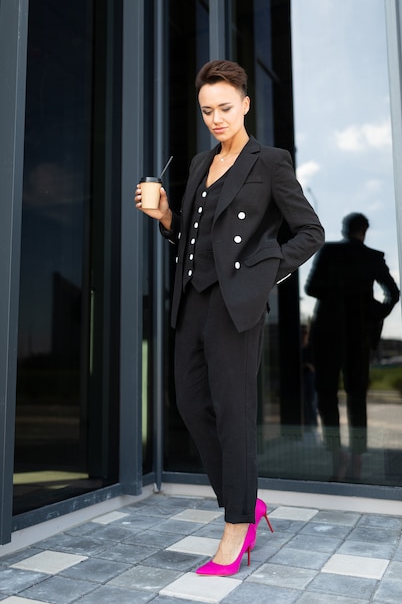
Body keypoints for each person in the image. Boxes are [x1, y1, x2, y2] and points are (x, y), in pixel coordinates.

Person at [135, 60, 324, 576]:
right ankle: (247, 500)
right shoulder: (199, 163)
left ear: (245, 104)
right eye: (206, 110)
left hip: (235, 304)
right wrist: (166, 218)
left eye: (224, 107)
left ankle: (236, 525)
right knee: (192, 403)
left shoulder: (271, 161)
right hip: (192, 299)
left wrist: (264, 272)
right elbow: (192, 236)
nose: (216, 118)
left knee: (233, 412)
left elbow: (310, 232)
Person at [305, 212, 400, 481]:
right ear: (364, 231)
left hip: (329, 333)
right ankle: (356, 456)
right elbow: (393, 293)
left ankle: (338, 456)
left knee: (327, 395)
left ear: (345, 229)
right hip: (358, 335)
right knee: (356, 396)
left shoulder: (329, 252)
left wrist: (338, 293)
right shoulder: (372, 257)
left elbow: (311, 288)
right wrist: (374, 312)